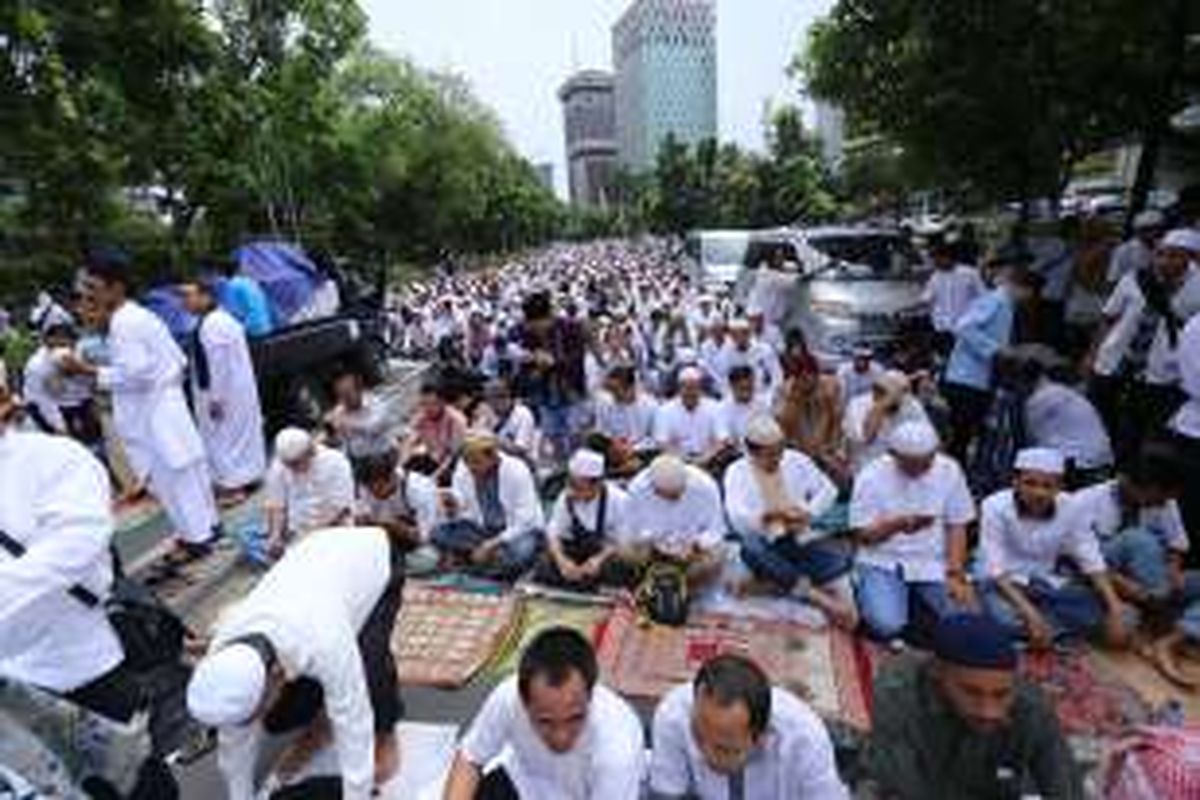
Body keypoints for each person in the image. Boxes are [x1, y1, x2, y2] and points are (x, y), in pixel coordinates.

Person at [188, 526, 404, 800]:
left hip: (372, 556)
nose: (249, 725)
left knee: (369, 667)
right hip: (309, 563)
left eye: (258, 708)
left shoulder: (325, 641)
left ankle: (386, 735)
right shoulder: (225, 651)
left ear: (276, 675)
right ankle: (320, 714)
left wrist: (357, 794)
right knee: (279, 720)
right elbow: (233, 742)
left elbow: (353, 720)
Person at [65, 249, 221, 560]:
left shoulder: (125, 323)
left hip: (155, 414)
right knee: (188, 476)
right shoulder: (139, 315)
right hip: (166, 407)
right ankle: (207, 528)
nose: (90, 298)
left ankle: (196, 538)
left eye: (94, 289)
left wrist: (86, 371)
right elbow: (173, 361)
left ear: (116, 287)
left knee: (172, 479)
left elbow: (134, 375)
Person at [864, 613, 1084, 799]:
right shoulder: (898, 697)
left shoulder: (1029, 704)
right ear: (937, 672)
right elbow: (896, 787)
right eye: (971, 692)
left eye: (1001, 695)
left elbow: (1065, 789)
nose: (989, 711)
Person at [443, 627, 644, 800]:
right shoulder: (508, 698)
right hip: (528, 785)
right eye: (546, 722)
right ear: (524, 702)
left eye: (574, 719)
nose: (561, 737)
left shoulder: (618, 747)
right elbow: (470, 759)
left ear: (591, 695)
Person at [976, 448, 1130, 650]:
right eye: (1030, 483)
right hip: (1001, 584)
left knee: (1099, 610)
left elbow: (1090, 557)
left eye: (1048, 486)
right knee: (1003, 619)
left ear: (1060, 487)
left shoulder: (1071, 507)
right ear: (1015, 482)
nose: (1039, 493)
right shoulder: (994, 506)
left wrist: (1115, 609)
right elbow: (995, 568)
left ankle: (1036, 632)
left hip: (1045, 582)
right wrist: (1031, 615)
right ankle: (1046, 629)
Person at [648, 653, 847, 799]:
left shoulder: (806, 739)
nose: (705, 754)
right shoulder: (673, 716)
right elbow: (666, 794)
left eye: (723, 749)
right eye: (698, 737)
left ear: (762, 735)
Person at [850, 422, 976, 644]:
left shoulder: (949, 469)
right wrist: (896, 526)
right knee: (886, 625)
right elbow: (862, 536)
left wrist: (955, 574)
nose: (919, 470)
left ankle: (916, 608)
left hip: (932, 562)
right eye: (911, 465)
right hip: (883, 560)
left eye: (926, 463)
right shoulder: (871, 475)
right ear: (893, 455)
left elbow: (957, 525)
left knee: (967, 616)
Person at [727, 417, 857, 629]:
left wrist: (806, 512)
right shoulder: (736, 472)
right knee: (750, 548)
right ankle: (814, 595)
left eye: (780, 451)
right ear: (752, 452)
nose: (778, 458)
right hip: (767, 543)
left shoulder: (795, 459)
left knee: (841, 560)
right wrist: (768, 515)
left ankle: (772, 584)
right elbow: (736, 519)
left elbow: (828, 490)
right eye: (771, 454)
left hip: (800, 538)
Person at [1071, 444, 1193, 616]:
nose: (1163, 503)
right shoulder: (1083, 502)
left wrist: (1174, 570)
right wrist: (1120, 581)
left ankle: (1159, 603)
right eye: (1158, 497)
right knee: (1138, 539)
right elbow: (1076, 558)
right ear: (1128, 482)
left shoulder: (1164, 500)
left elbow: (1177, 544)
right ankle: (1162, 606)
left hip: (1152, 577)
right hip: (1100, 576)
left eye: (1166, 498)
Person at [179, 278, 267, 502]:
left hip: (223, 394)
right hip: (235, 391)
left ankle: (234, 487)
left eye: (188, 295)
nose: (184, 302)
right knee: (241, 438)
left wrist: (215, 398)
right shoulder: (219, 319)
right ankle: (250, 478)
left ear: (206, 296)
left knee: (223, 440)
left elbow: (217, 365)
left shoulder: (213, 324)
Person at [941, 264, 1037, 462]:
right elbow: (964, 327)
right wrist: (996, 350)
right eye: (1029, 294)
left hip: (978, 378)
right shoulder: (995, 301)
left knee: (967, 433)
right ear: (1021, 288)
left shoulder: (1005, 304)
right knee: (961, 435)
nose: (1027, 300)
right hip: (965, 377)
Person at [432, 430, 544, 581]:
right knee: (438, 533)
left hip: (515, 533)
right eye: (468, 462)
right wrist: (452, 504)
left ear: (492, 457)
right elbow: (463, 504)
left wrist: (491, 545)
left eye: (477, 462)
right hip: (483, 530)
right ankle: (489, 561)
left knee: (520, 552)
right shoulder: (465, 467)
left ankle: (479, 560)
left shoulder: (517, 470)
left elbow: (525, 521)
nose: (471, 467)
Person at [536, 449, 635, 591]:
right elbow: (554, 533)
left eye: (579, 486)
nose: (573, 490)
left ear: (597, 484)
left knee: (620, 567)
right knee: (545, 563)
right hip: (576, 551)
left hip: (605, 553)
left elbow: (623, 541)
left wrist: (599, 560)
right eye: (571, 483)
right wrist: (562, 561)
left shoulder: (619, 500)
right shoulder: (566, 496)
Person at [625, 454, 726, 592]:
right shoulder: (636, 489)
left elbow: (716, 530)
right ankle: (649, 585)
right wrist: (658, 545)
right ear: (653, 487)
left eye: (679, 493)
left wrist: (697, 545)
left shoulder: (706, 485)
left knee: (716, 556)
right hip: (654, 549)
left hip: (692, 551)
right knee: (626, 551)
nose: (675, 499)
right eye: (668, 496)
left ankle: (683, 589)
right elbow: (633, 531)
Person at [1019, 356, 1113, 486]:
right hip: (1102, 460)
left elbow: (1031, 442)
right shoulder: (1063, 391)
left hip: (1079, 465)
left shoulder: (1038, 401)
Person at [264, 427, 355, 558]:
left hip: (336, 528)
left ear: (311, 452)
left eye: (296, 463)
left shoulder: (335, 462)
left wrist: (313, 534)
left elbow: (341, 508)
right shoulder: (279, 467)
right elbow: (277, 506)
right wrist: (276, 536)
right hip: (299, 533)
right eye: (288, 464)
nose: (292, 469)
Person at [355, 449, 441, 575]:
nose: (374, 493)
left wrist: (395, 526)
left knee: (428, 559)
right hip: (384, 543)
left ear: (392, 477)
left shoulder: (418, 489)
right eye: (370, 489)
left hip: (420, 543)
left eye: (379, 488)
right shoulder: (365, 487)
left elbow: (425, 536)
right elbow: (362, 516)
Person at [21, 323, 102, 449]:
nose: (63, 348)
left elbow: (91, 387)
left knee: (95, 443)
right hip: (49, 406)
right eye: (57, 343)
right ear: (46, 342)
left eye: (68, 343)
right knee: (65, 447)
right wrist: (61, 428)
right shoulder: (37, 366)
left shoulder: (79, 355)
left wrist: (80, 371)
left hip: (80, 402)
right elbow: (44, 402)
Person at [842, 369, 931, 474]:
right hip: (866, 466)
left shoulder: (910, 404)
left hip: (903, 465)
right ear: (877, 391)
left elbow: (927, 437)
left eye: (903, 393)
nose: (904, 398)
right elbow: (865, 438)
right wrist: (881, 406)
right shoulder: (857, 405)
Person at [653, 367, 733, 469]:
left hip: (709, 461)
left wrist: (706, 457)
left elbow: (722, 440)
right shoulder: (665, 410)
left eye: (694, 387)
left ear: (700, 388)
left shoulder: (714, 407)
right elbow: (662, 443)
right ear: (679, 388)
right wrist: (683, 459)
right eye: (686, 388)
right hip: (676, 462)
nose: (690, 392)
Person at [591, 363, 658, 475]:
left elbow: (655, 439)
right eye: (611, 390)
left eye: (617, 390)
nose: (614, 395)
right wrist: (614, 446)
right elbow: (601, 432)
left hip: (641, 453)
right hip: (614, 453)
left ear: (631, 388)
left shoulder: (651, 406)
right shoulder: (605, 403)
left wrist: (633, 449)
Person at [324, 368, 394, 476]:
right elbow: (339, 438)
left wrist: (347, 423)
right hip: (355, 460)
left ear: (360, 390)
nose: (345, 399)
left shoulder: (377, 403)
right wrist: (331, 431)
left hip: (381, 456)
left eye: (348, 393)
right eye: (341, 395)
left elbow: (375, 428)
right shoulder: (339, 411)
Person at [922, 240, 987, 355]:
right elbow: (926, 299)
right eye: (934, 260)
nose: (935, 263)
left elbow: (983, 298)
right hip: (944, 327)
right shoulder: (935, 277)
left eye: (937, 259)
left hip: (967, 327)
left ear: (947, 257)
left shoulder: (970, 274)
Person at [401, 379, 469, 478]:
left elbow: (454, 454)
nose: (428, 408)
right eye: (424, 404)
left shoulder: (456, 420)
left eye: (433, 404)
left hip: (454, 464)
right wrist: (401, 466)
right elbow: (408, 441)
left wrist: (436, 476)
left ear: (442, 402)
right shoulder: (420, 417)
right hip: (433, 460)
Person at [474, 377, 540, 463]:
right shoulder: (488, 415)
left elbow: (520, 450)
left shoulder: (522, 414)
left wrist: (492, 439)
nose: (487, 403)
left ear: (503, 398)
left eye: (489, 399)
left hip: (521, 465)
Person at [712, 319, 784, 399]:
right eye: (733, 334)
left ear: (748, 333)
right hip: (739, 399)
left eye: (742, 333)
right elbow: (722, 382)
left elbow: (777, 375)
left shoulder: (764, 350)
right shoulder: (725, 354)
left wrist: (770, 396)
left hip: (765, 396)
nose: (737, 337)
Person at [715, 364, 770, 447]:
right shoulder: (722, 408)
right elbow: (723, 436)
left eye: (750, 387)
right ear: (732, 386)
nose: (747, 393)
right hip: (735, 452)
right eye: (742, 388)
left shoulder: (763, 403)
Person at [217, 258, 274, 337]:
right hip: (265, 324)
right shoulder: (250, 281)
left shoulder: (232, 285)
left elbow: (234, 312)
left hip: (252, 330)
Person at [1108, 209, 1163, 284]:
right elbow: (1114, 277)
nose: (1153, 233)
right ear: (1138, 231)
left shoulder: (1164, 247)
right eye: (1148, 230)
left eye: (1156, 229)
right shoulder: (1124, 250)